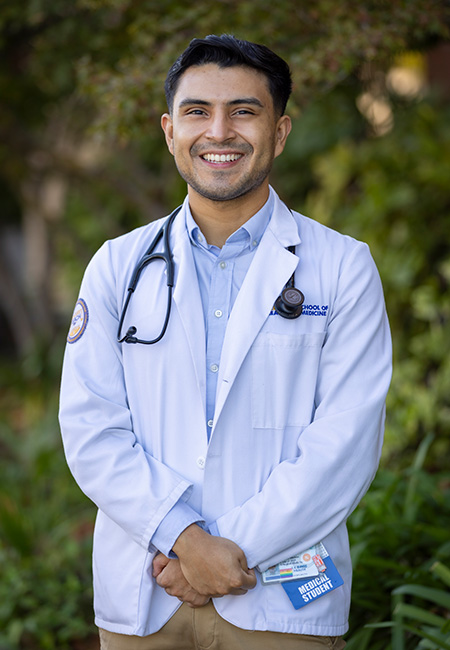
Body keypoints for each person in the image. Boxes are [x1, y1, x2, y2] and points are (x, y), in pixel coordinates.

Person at [59, 34, 392, 650]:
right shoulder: (117, 267)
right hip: (147, 596)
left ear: (280, 130)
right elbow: (91, 429)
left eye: (244, 111)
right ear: (168, 130)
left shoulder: (343, 268)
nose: (220, 131)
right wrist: (188, 541)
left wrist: (228, 552)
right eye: (197, 112)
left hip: (279, 597)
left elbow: (343, 444)